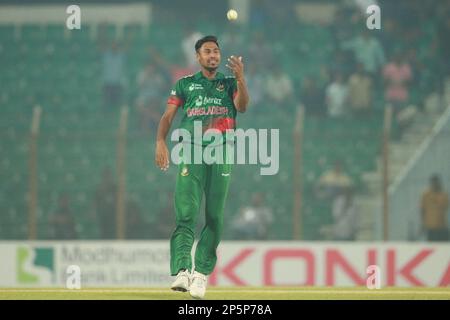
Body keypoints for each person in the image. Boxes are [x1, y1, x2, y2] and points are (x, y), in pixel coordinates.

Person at [155, 35, 249, 299]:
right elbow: (168, 115)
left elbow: (242, 106)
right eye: (207, 51)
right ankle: (183, 271)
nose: (213, 56)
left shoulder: (229, 83)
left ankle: (201, 275)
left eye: (216, 52)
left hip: (221, 153)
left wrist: (241, 78)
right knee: (186, 213)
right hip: (192, 151)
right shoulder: (184, 84)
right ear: (197, 57)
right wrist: (160, 140)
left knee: (215, 217)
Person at [420, 175, 449, 241]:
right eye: (433, 183)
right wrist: (423, 224)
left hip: (442, 226)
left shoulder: (443, 194)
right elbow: (422, 210)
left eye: (436, 182)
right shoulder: (426, 194)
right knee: (432, 244)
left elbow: (446, 208)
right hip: (431, 226)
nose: (435, 184)